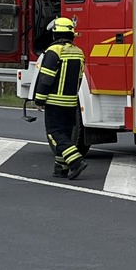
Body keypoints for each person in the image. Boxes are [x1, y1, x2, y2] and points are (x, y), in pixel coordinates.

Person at [35, 15, 87, 181]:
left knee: (55, 134)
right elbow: (79, 78)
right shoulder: (79, 52)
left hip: (55, 101)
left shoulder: (53, 51)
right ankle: (61, 168)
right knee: (65, 133)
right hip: (71, 102)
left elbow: (46, 78)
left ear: (55, 34)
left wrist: (39, 99)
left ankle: (76, 161)